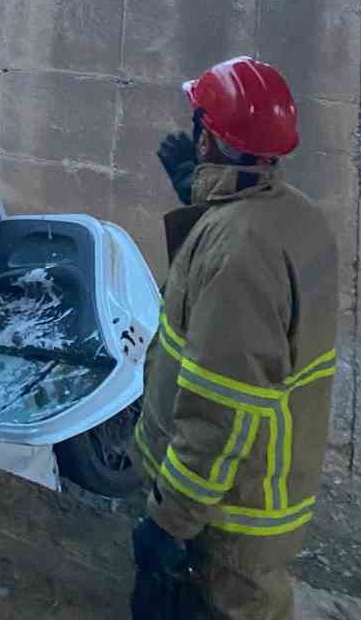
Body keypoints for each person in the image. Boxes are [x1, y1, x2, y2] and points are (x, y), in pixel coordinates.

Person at [133, 57, 338, 620]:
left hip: (222, 521)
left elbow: (217, 408)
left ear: (210, 140)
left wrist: (169, 524)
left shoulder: (238, 248)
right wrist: (202, 207)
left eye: (200, 123)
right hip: (254, 497)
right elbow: (218, 316)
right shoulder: (296, 219)